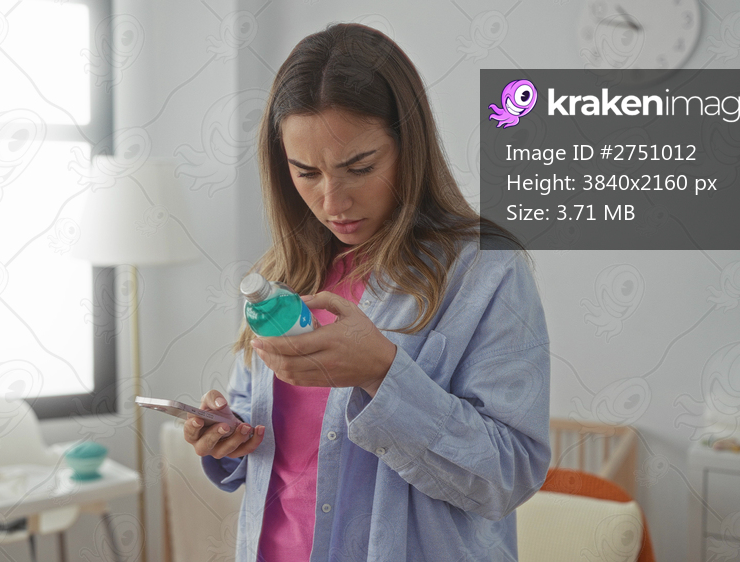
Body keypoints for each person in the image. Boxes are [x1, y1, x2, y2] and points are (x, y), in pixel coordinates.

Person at [183, 22, 550, 562]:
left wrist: (382, 374)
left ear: (409, 148)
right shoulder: (281, 275)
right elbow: (270, 447)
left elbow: (508, 476)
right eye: (306, 172)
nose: (333, 202)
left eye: (359, 167)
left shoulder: (484, 269)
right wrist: (228, 438)